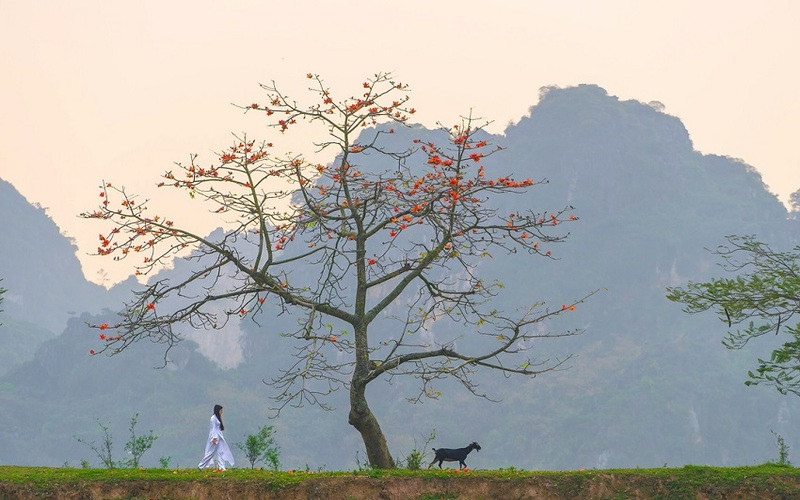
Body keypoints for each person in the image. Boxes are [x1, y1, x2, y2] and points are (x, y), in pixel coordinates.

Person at [198, 404, 234, 471]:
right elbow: (213, 428)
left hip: (219, 437)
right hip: (215, 437)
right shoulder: (213, 418)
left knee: (220, 452)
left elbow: (219, 428)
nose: (222, 412)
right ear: (218, 410)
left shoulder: (218, 417)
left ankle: (222, 467)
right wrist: (214, 438)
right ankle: (200, 466)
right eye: (221, 410)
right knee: (211, 453)